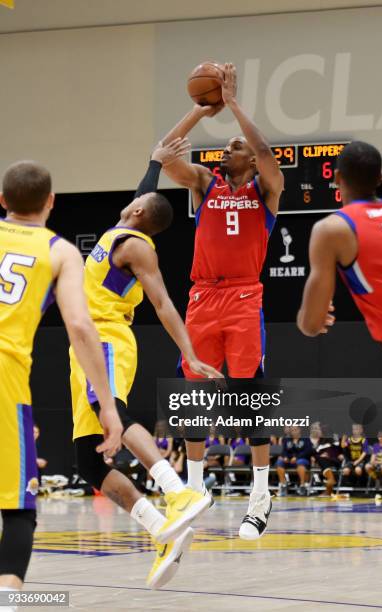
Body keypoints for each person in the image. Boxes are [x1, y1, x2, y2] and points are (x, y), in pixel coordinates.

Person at [69, 139, 223, 589]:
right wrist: (157, 159)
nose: (133, 198)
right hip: (84, 345)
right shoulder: (122, 233)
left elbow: (162, 302)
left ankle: (179, 491)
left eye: (136, 200)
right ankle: (164, 531)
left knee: (114, 410)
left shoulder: (137, 246)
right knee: (88, 462)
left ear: (138, 213)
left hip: (105, 338)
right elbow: (146, 189)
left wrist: (190, 351)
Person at [161, 63, 284, 540]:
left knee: (248, 398)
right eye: (228, 143)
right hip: (202, 297)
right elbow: (166, 155)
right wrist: (198, 110)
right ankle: (194, 493)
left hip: (243, 297)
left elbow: (266, 150)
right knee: (193, 396)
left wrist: (232, 105)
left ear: (251, 161)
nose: (227, 147)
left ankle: (259, 497)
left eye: (235, 146)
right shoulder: (204, 184)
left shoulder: (265, 191)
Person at [0, 161, 122, 611]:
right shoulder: (61, 251)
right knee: (17, 507)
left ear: (2, 202)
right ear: (51, 202)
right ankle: (7, 597)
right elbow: (80, 326)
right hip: (5, 374)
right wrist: (106, 405)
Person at [297, 140, 382, 494]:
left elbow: (310, 324)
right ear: (381, 177)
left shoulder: (333, 229)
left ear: (337, 179)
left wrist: (316, 316)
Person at [276, 426, 313, 496]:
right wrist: (285, 457)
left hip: (302, 459)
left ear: (300, 430)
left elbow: (308, 451)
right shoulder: (286, 439)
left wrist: (297, 457)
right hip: (289, 461)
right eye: (292, 430)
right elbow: (284, 451)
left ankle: (302, 486)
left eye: (296, 429)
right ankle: (283, 485)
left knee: (300, 462)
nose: (294, 431)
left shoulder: (306, 439)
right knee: (279, 463)